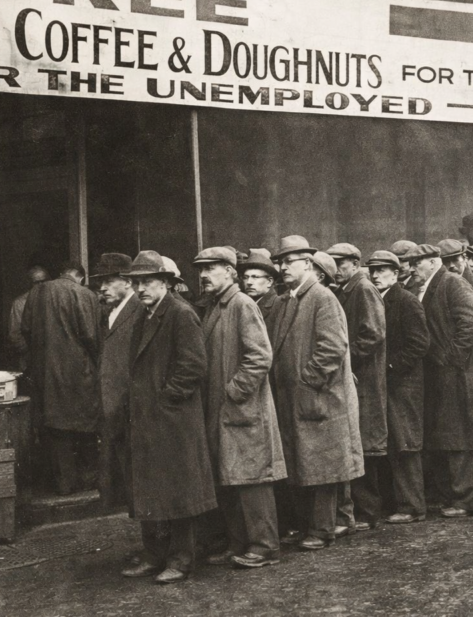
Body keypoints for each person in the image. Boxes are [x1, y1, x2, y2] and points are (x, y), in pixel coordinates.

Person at [121, 251, 216, 584]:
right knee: (150, 491)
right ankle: (154, 554)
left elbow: (193, 366)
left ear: (165, 282)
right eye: (135, 283)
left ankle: (180, 559)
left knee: (178, 494)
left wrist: (165, 400)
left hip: (172, 420)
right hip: (150, 420)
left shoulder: (179, 313)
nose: (141, 288)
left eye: (147, 282)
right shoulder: (145, 314)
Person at [193, 247, 286, 570]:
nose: (204, 274)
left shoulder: (241, 304)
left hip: (243, 411)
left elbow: (260, 356)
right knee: (231, 480)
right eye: (201, 269)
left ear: (231, 271)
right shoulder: (218, 306)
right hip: (226, 413)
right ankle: (239, 543)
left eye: (212, 268)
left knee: (252, 482)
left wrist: (233, 392)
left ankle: (264, 546)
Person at [270, 236, 363, 551]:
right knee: (307, 462)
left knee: (321, 465)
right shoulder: (291, 299)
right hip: (299, 399)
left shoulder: (321, 298)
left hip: (317, 397)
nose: (282, 267)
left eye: (289, 261)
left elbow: (332, 347)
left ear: (308, 264)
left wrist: (306, 380)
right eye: (280, 262)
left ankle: (323, 529)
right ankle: (316, 524)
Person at [407, 243, 473, 518]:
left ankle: (467, 500)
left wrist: (450, 360)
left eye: (417, 262)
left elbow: (470, 324)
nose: (412, 268)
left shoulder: (453, 284)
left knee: (464, 437)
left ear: (433, 262)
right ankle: (456, 497)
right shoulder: (431, 286)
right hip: (446, 375)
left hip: (462, 375)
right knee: (451, 435)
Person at [21, 261, 103, 495]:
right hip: (80, 370)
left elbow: (25, 329)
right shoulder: (85, 294)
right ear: (80, 277)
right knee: (86, 424)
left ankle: (64, 484)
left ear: (61, 274)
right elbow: (90, 335)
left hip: (45, 370)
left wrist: (42, 353)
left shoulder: (37, 292)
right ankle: (88, 482)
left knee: (56, 428)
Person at [326, 243, 387, 533]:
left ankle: (369, 512)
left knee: (365, 443)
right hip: (354, 377)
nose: (336, 268)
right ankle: (363, 510)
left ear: (353, 262)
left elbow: (373, 333)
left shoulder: (362, 289)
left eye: (340, 263)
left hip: (364, 378)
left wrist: (349, 361)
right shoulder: (345, 290)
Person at [365, 251, 430, 524]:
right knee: (391, 444)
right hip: (387, 386)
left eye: (382, 270)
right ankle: (397, 502)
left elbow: (419, 344)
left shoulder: (405, 301)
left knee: (405, 445)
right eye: (373, 270)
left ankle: (413, 506)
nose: (376, 275)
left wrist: (390, 367)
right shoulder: (377, 299)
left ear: (396, 273)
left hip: (403, 385)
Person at [93, 253, 144, 509]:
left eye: (109, 281)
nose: (102, 288)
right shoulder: (111, 313)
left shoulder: (140, 310)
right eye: (101, 282)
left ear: (127, 281)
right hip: (114, 412)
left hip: (130, 411)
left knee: (140, 480)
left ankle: (157, 545)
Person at [8, 265, 49, 372]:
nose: (41, 285)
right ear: (30, 283)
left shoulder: (52, 300)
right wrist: (30, 353)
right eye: (37, 282)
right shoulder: (19, 303)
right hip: (29, 358)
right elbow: (15, 334)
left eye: (43, 281)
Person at [238, 251, 284, 343]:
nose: (249, 282)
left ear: (269, 282)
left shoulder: (279, 306)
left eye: (255, 277)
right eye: (246, 277)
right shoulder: (242, 304)